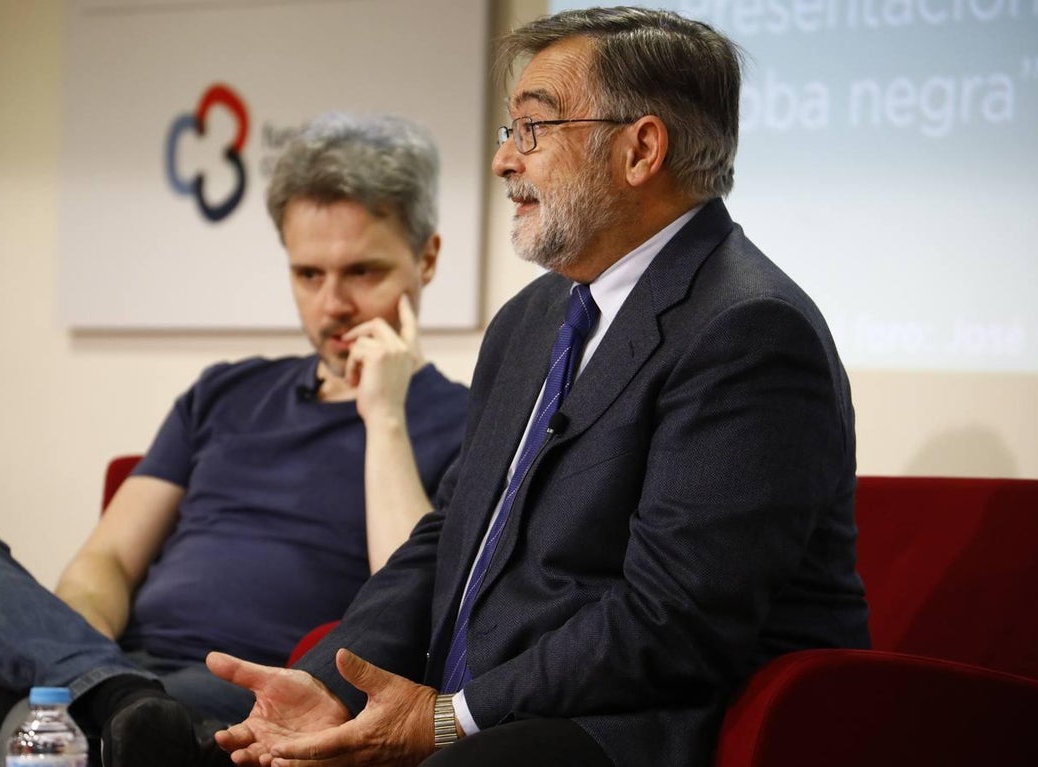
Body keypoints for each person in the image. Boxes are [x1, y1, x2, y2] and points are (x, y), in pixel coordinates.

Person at [204, 7, 871, 767]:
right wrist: (333, 680)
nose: (503, 162)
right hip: (496, 712)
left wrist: (453, 718)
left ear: (640, 148)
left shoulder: (747, 330)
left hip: (640, 727)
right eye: (507, 132)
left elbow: (673, 621)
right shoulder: (532, 317)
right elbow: (449, 535)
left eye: (532, 129)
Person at [0, 112, 469, 767]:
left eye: (363, 272)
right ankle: (116, 700)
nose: (332, 302)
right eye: (308, 274)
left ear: (426, 258)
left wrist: (386, 415)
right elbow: (106, 560)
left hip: (244, 705)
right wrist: (78, 665)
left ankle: (120, 720)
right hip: (117, 673)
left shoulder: (468, 418)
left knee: (40, 744)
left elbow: (405, 607)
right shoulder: (224, 391)